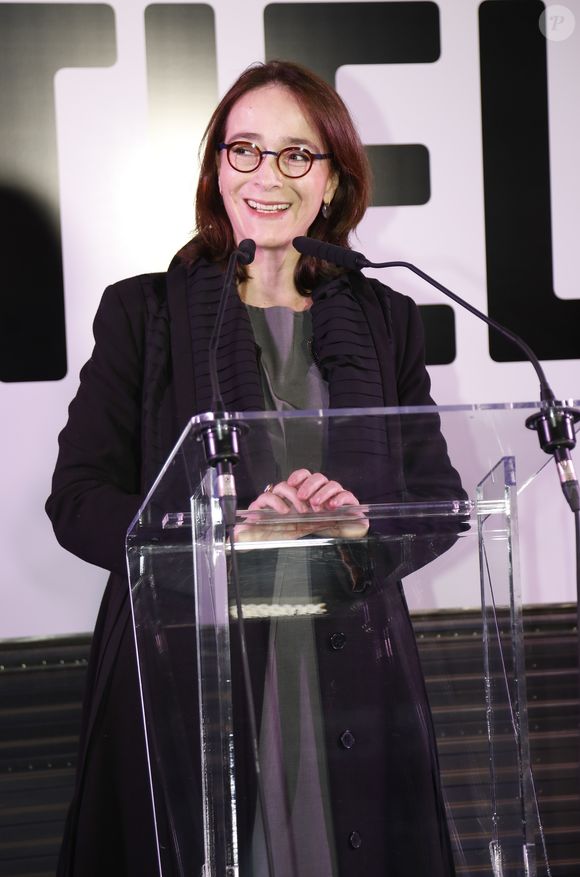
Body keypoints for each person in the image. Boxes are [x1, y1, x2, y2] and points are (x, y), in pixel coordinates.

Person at [47, 60, 464, 876]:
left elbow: (442, 503)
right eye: (245, 150)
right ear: (216, 169)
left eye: (296, 155)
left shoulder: (387, 319)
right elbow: (78, 498)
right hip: (188, 665)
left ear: (334, 180)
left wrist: (362, 526)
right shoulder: (144, 313)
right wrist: (210, 534)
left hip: (349, 671)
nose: (267, 176)